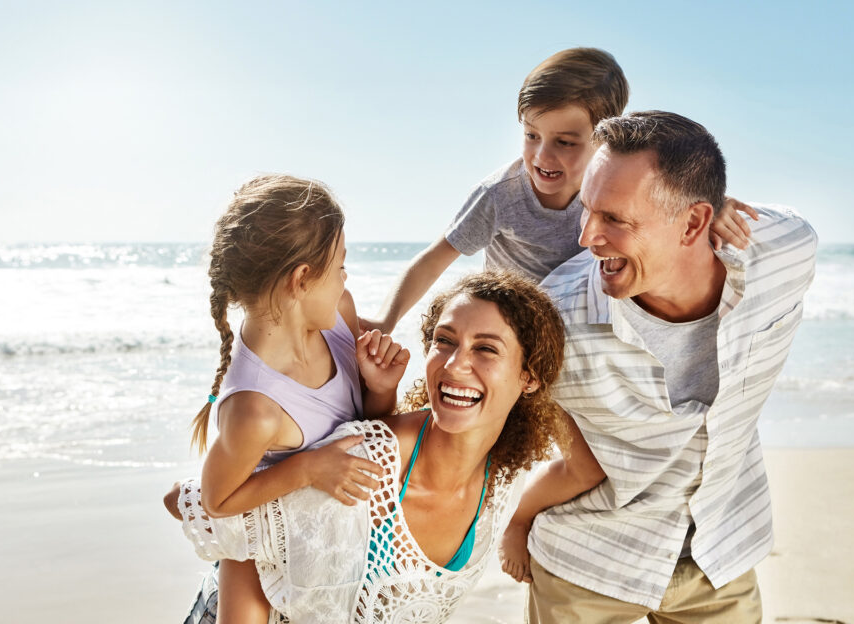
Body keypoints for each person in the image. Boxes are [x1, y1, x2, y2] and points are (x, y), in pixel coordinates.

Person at [499, 111, 818, 622]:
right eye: (587, 210)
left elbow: (790, 226)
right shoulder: (553, 321)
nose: (586, 237)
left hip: (721, 552)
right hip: (591, 558)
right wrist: (513, 522)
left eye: (614, 220)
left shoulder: (781, 253)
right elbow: (482, 419)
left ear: (695, 221)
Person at [166, 271, 595, 623]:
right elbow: (207, 516)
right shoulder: (363, 463)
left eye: (485, 348)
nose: (453, 364)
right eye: (443, 340)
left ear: (530, 377)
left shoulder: (502, 479)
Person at [361, 48, 753, 333]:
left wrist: (712, 205)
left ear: (604, 140)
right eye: (531, 135)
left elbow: (673, 196)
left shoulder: (622, 189)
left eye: (565, 142)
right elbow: (434, 258)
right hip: (516, 325)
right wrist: (386, 320)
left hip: (586, 324)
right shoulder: (501, 194)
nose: (542, 155)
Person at [182, 174, 411, 624]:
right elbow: (217, 500)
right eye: (341, 265)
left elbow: (368, 428)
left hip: (328, 567)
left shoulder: (339, 314)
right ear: (302, 279)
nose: (346, 278)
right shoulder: (256, 409)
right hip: (267, 582)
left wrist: (381, 387)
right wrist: (307, 468)